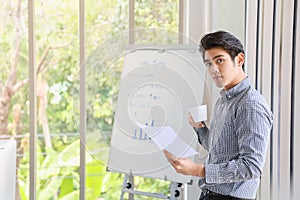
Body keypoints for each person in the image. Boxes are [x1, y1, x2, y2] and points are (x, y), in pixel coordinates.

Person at [164, 30, 273, 200]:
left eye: (220, 60)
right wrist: (200, 129)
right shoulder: (224, 99)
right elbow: (220, 151)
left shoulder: (250, 104)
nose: (214, 70)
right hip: (210, 193)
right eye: (208, 64)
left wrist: (198, 170)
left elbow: (251, 167)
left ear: (239, 60)